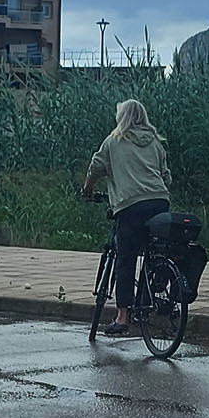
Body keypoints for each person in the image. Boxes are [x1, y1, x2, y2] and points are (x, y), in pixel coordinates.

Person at [80, 98, 171, 336]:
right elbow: (166, 176)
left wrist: (88, 189)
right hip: (160, 202)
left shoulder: (114, 140)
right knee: (154, 251)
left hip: (131, 206)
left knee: (126, 258)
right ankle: (151, 297)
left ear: (122, 117)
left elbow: (96, 166)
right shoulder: (155, 143)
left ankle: (123, 316)